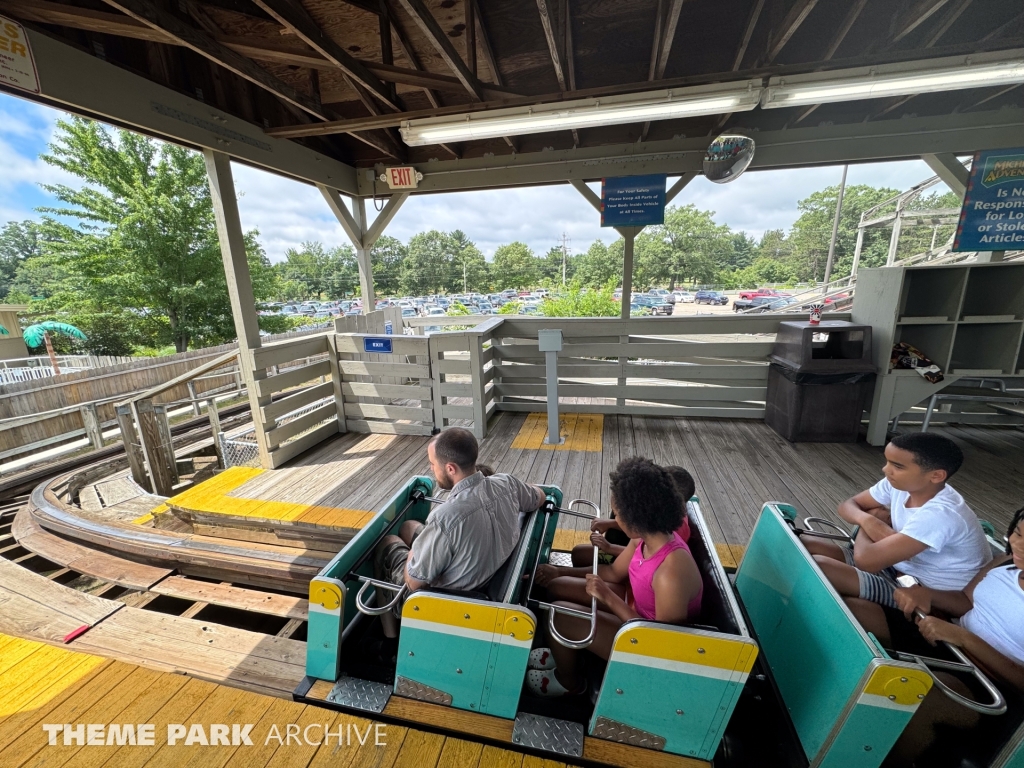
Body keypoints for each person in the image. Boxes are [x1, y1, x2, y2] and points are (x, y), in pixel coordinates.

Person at [526, 458, 703, 697]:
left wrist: (607, 596)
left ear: (635, 519)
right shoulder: (645, 536)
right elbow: (612, 572)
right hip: (634, 607)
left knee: (559, 616)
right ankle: (566, 655)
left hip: (647, 644)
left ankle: (571, 683)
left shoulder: (671, 572)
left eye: (617, 515)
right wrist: (561, 572)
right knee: (557, 587)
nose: (615, 520)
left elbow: (657, 641)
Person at [801, 432, 991, 643]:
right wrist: (872, 521)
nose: (885, 469)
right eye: (888, 462)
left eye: (897, 466)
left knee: (821, 567)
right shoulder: (901, 484)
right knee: (805, 545)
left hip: (923, 595)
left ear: (936, 476)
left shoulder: (941, 514)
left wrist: (870, 521)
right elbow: (848, 505)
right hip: (896, 568)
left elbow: (867, 562)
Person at [373, 427, 546, 640]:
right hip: (488, 568)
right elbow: (539, 496)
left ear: (451, 468)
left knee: (388, 542)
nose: (431, 468)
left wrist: (413, 553)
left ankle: (389, 639)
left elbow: (414, 582)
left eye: (433, 464)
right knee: (408, 527)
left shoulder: (444, 517)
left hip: (452, 600)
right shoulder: (507, 483)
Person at [886, 505, 1024, 764]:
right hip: (948, 643)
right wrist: (926, 595)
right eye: (1017, 533)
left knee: (921, 693)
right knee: (862, 613)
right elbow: (964, 600)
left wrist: (965, 639)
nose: (1019, 545)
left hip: (993, 686)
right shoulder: (1007, 562)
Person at [571, 464, 695, 567]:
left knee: (579, 555)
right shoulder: (663, 513)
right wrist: (610, 523)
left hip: (633, 563)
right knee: (578, 553)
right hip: (630, 550)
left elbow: (642, 556)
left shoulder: (674, 530)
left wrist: (608, 547)